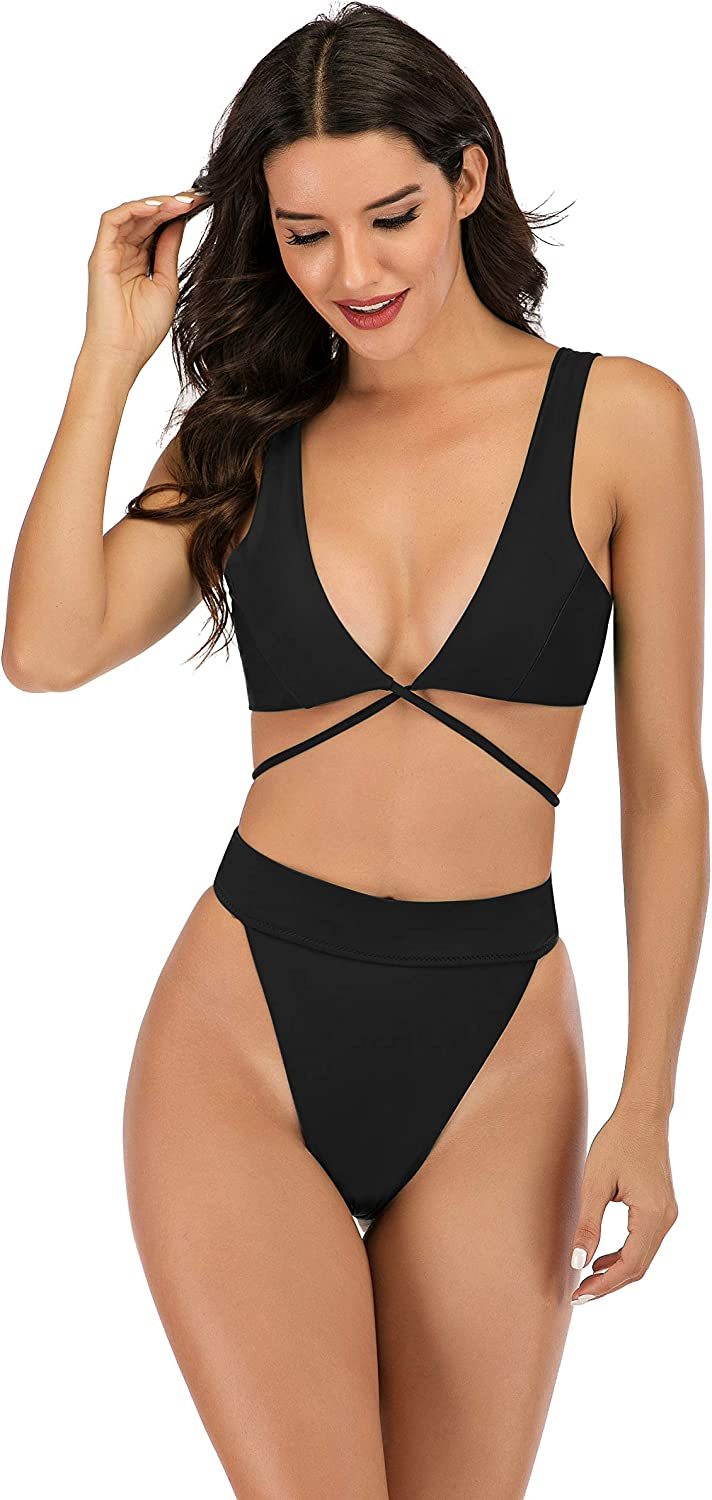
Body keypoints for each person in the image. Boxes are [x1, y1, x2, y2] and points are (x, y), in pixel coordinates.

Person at [3, 5, 708, 1496]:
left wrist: (649, 1100)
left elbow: (664, 784)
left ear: (468, 179)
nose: (354, 272)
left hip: (501, 1052)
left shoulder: (623, 420)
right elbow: (49, 649)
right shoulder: (252, 432)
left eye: (391, 216)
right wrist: (112, 357)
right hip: (242, 1034)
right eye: (305, 232)